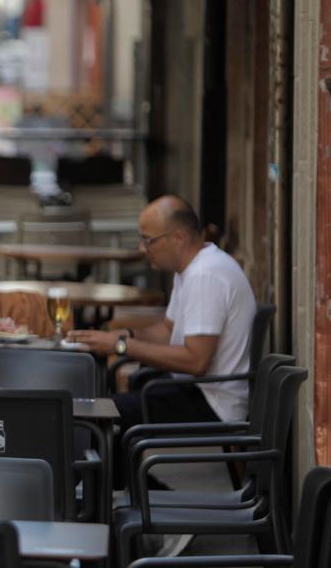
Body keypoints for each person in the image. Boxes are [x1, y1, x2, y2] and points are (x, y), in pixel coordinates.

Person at [69, 196, 256, 484]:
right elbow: (168, 330)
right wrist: (122, 335)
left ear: (178, 237)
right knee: (108, 407)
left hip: (214, 403)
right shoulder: (193, 269)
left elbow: (196, 361)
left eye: (149, 240)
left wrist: (121, 347)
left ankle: (135, 502)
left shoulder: (206, 275)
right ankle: (129, 498)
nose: (142, 248)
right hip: (200, 391)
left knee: (102, 417)